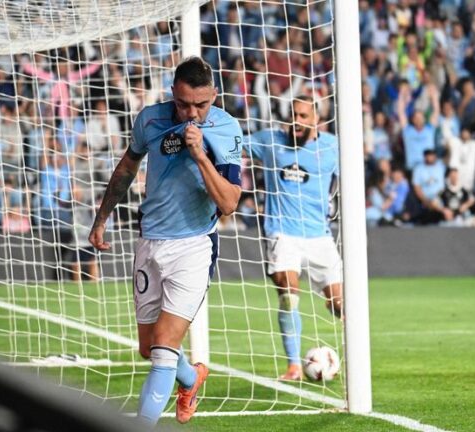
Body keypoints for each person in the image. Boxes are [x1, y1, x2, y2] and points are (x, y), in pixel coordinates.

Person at [88, 57, 242, 426]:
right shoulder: (150, 120)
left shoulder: (225, 128)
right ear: (172, 92)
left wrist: (199, 153)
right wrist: (102, 217)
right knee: (149, 347)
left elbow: (229, 203)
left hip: (194, 246)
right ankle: (191, 379)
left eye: (201, 105)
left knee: (162, 352)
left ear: (214, 97)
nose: (192, 113)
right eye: (184, 103)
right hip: (150, 240)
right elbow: (127, 167)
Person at [245, 95, 343, 381]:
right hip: (283, 232)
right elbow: (234, 143)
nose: (296, 121)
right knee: (288, 294)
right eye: (293, 115)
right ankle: (293, 366)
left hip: (319, 235)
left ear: (316, 120)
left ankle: (348, 355)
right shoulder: (270, 141)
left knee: (341, 305)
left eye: (303, 116)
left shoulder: (332, 147)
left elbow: (350, 175)